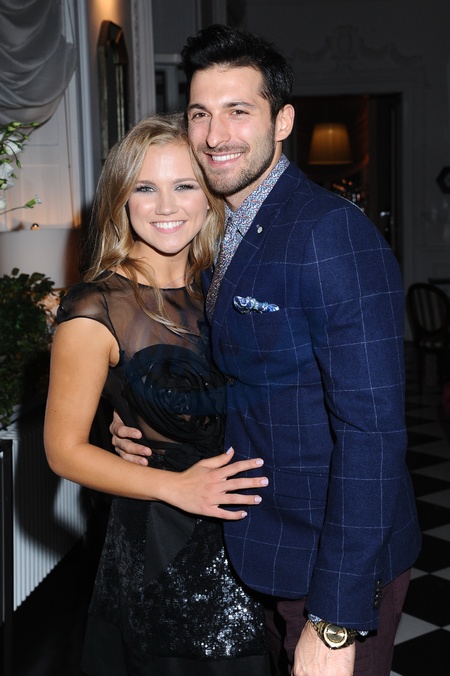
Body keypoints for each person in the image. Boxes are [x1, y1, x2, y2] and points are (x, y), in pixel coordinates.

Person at [110, 25, 422, 676]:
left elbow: (372, 435)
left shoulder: (329, 234)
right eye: (200, 113)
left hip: (333, 564)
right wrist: (143, 422)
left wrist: (334, 622)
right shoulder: (215, 229)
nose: (215, 135)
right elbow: (238, 377)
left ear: (282, 121)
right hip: (262, 545)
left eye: (238, 111)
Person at [44, 113, 273, 676]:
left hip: (259, 539)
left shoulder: (227, 285)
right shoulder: (97, 306)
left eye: (184, 185)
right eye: (145, 187)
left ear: (210, 195)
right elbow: (63, 451)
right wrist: (177, 487)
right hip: (164, 548)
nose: (166, 206)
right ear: (121, 199)